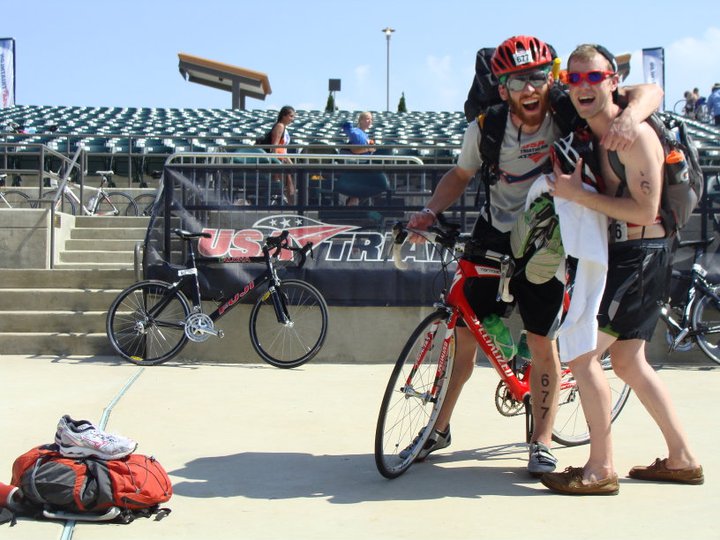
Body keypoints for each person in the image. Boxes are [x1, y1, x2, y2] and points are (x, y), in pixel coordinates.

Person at [404, 35, 663, 476]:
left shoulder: (567, 108)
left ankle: (541, 442)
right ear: (502, 87)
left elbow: (648, 92)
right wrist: (430, 211)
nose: (530, 89)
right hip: (495, 231)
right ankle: (439, 426)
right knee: (465, 332)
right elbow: (460, 173)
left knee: (544, 342)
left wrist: (631, 117)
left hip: (548, 238)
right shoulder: (486, 127)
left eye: (538, 77)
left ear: (551, 79)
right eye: (518, 80)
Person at [541, 44, 703, 496]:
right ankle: (682, 459)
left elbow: (646, 207)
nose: (583, 86)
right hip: (637, 256)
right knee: (630, 361)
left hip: (642, 254)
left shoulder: (632, 135)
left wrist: (579, 197)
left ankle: (600, 468)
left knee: (583, 354)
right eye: (574, 79)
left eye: (594, 77)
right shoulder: (590, 122)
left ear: (613, 80)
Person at [341, 111, 376, 205]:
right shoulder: (356, 132)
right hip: (356, 167)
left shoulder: (365, 135)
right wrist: (369, 148)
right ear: (360, 120)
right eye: (367, 119)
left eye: (371, 119)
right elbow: (355, 150)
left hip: (364, 167)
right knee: (355, 195)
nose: (370, 121)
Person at [270, 105, 296, 204]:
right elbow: (275, 145)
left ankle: (291, 205)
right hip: (279, 160)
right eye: (291, 116)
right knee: (288, 182)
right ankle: (292, 206)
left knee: (289, 182)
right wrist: (276, 162)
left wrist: (291, 163)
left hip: (282, 158)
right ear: (284, 116)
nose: (292, 119)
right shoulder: (280, 126)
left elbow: (283, 149)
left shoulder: (284, 127)